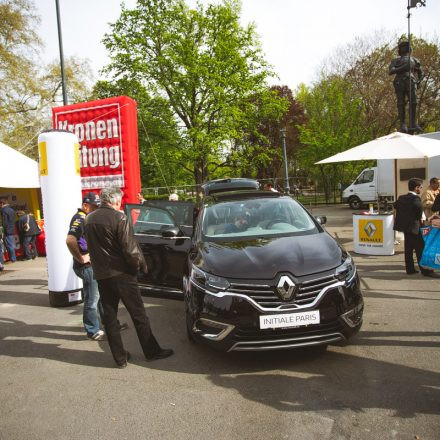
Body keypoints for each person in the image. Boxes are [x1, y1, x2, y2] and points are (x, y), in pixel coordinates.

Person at [84, 187, 173, 368]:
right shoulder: (120, 218)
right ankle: (152, 351)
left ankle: (120, 358)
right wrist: (136, 269)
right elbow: (130, 250)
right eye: (120, 201)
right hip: (122, 274)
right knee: (138, 314)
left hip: (101, 274)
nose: (121, 204)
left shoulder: (89, 219)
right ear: (116, 201)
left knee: (110, 317)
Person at [66, 192, 105, 341]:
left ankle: (108, 324)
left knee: (100, 297)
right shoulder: (80, 218)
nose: (96, 209)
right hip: (87, 267)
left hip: (93, 265)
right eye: (94, 206)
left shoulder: (87, 217)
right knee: (92, 299)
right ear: (85, 205)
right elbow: (70, 240)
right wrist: (81, 258)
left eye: (97, 206)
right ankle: (92, 330)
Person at [393, 178, 434, 277]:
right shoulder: (416, 199)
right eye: (420, 187)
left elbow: (395, 205)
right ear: (416, 188)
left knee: (408, 249)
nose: (421, 189)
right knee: (420, 249)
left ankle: (410, 269)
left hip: (406, 228)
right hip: (415, 228)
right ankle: (424, 270)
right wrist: (421, 218)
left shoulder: (402, 197)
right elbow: (419, 209)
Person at [388, 40, 423, 133]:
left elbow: (421, 73)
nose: (405, 48)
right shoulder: (395, 60)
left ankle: (413, 123)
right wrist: (404, 67)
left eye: (406, 46)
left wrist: (419, 81)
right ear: (400, 50)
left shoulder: (414, 60)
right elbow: (390, 71)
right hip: (399, 81)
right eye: (403, 47)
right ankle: (402, 124)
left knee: (414, 102)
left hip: (411, 81)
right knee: (401, 103)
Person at [0, 198, 17, 262]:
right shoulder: (11, 209)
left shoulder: (3, 210)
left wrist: (4, 230)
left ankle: (13, 259)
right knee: (11, 244)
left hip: (7, 230)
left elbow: (5, 222)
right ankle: (13, 258)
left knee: (9, 245)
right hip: (11, 229)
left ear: (2, 203)